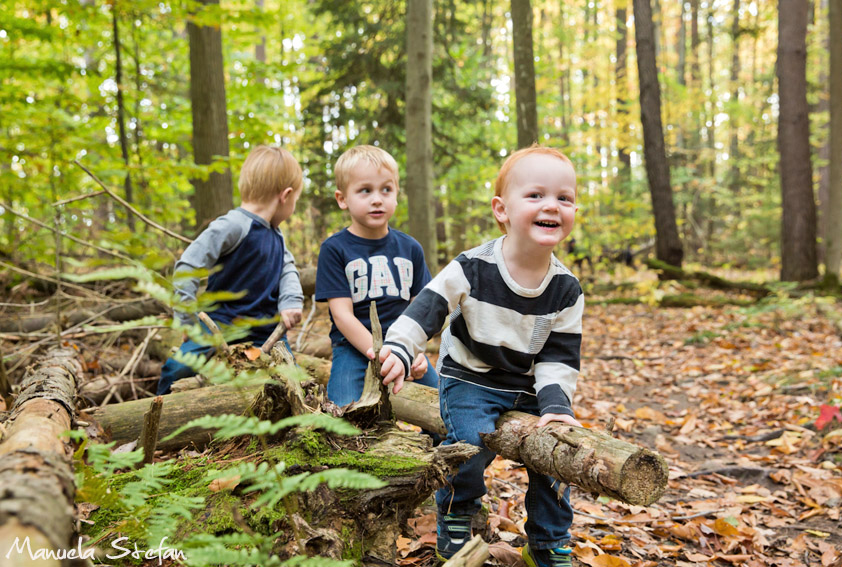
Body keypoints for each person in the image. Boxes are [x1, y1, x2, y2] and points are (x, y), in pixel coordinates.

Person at [375, 146, 584, 566]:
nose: (552, 206)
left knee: (558, 452)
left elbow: (559, 357)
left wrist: (556, 407)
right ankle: (456, 513)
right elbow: (429, 307)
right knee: (469, 443)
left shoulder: (566, 288)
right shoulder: (473, 267)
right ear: (501, 210)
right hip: (471, 377)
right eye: (536, 195)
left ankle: (549, 541)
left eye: (564, 198)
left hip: (527, 385)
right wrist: (400, 346)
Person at [157, 145, 304, 395]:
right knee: (178, 369)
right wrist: (187, 321)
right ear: (286, 195)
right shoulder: (233, 225)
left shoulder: (276, 235)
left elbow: (287, 269)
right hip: (220, 322)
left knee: (291, 378)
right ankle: (158, 416)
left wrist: (291, 301)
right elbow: (188, 266)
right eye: (296, 201)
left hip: (265, 329)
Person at [315, 145, 439, 408]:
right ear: (342, 198)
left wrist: (415, 351)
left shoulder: (410, 248)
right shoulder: (335, 249)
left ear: (396, 194)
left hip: (404, 345)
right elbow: (342, 316)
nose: (377, 199)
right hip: (352, 349)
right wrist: (381, 354)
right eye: (365, 190)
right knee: (343, 414)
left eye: (386, 189)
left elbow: (422, 309)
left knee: (444, 408)